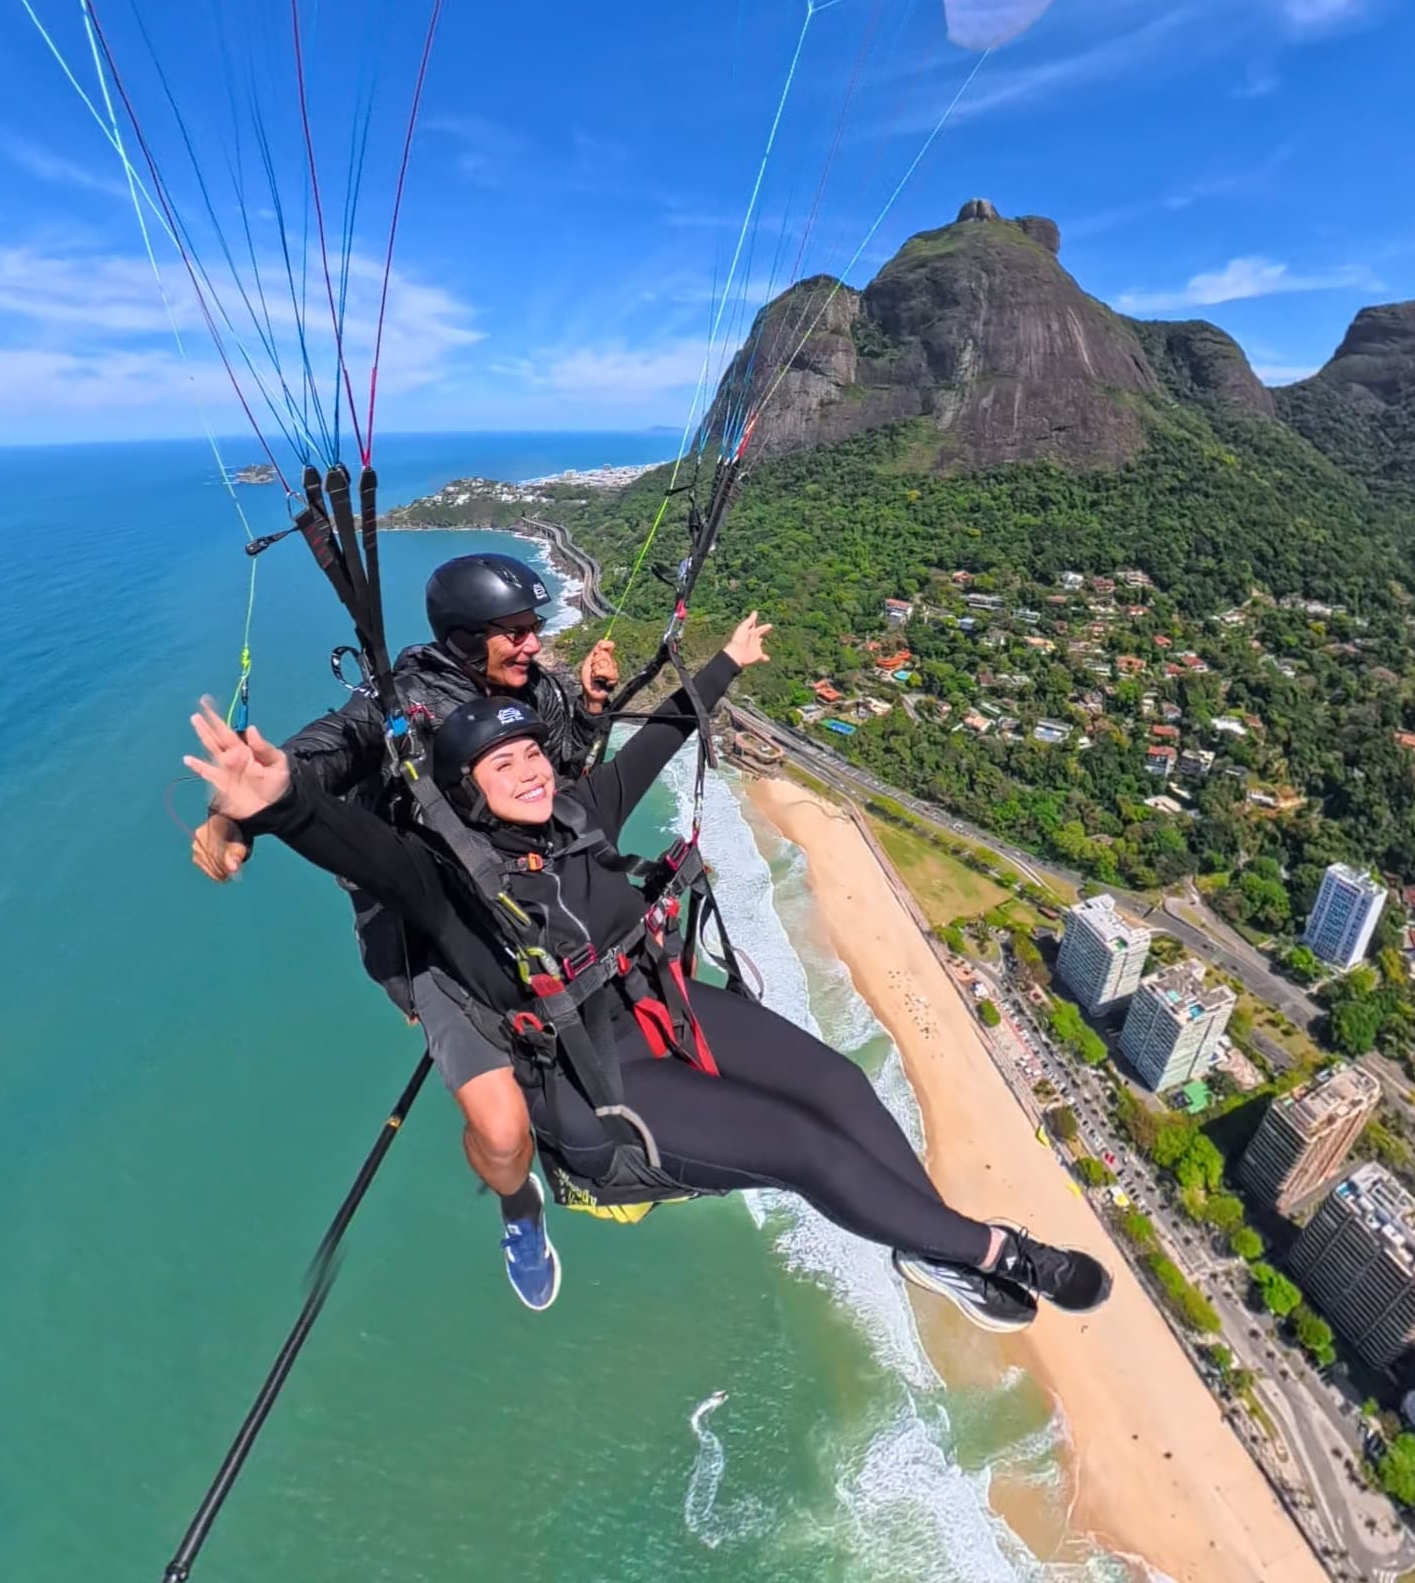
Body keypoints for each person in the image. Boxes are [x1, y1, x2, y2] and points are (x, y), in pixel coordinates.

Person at [179, 612, 1115, 1333]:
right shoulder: (446, 882)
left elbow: (660, 734)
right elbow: (363, 849)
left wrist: (727, 663)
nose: (531, 773)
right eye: (503, 766)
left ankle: (933, 1247)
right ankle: (1007, 1252)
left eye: (533, 755)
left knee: (838, 1082)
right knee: (801, 1145)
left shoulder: (581, 814)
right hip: (594, 1082)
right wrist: (281, 802)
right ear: (467, 791)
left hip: (658, 1007)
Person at [187, 551, 616, 1309]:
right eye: (513, 633)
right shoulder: (402, 701)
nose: (533, 645)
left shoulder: (535, 689)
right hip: (431, 917)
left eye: (533, 630)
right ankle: (519, 1206)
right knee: (505, 1136)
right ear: (462, 636)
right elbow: (318, 757)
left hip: (526, 905)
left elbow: (563, 773)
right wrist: (236, 810)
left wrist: (585, 707)